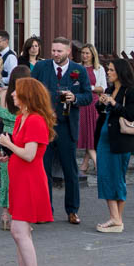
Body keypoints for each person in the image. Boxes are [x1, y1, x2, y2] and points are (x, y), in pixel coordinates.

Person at [0, 77, 54, 266]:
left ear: (26, 96)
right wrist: (9, 154)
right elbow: (23, 151)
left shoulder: (35, 120)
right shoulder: (22, 118)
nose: (12, 94)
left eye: (16, 92)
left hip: (30, 182)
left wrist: (8, 145)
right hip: (20, 180)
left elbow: (30, 155)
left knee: (21, 232)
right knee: (18, 232)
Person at [34, 38, 93, 224]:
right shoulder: (41, 67)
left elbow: (88, 96)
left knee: (70, 170)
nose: (55, 54)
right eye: (53, 50)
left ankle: (72, 210)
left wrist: (75, 97)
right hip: (44, 125)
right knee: (44, 169)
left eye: (59, 51)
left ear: (68, 51)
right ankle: (45, 209)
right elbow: (30, 89)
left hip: (67, 126)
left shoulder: (79, 70)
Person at [93, 58, 134, 232]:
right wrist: (101, 103)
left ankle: (116, 218)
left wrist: (114, 103)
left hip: (120, 140)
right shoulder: (110, 89)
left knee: (116, 178)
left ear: (120, 72)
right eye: (108, 70)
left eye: (111, 70)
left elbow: (131, 114)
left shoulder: (131, 91)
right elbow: (102, 112)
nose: (108, 72)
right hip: (104, 138)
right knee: (105, 176)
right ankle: (116, 219)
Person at [76, 43, 105, 177]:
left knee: (91, 133)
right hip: (81, 103)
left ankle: (98, 164)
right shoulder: (77, 67)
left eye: (87, 53)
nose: (85, 55)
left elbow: (102, 88)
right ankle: (86, 163)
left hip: (93, 103)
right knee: (86, 132)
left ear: (93, 55)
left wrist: (90, 88)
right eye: (83, 53)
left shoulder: (99, 69)